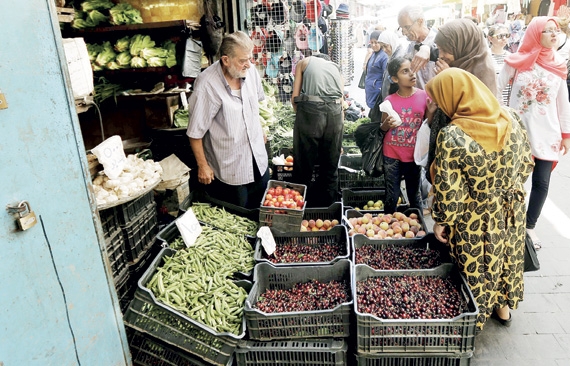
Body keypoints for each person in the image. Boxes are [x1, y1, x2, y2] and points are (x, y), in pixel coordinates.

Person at [426, 68, 535, 332]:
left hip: (474, 215)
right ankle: (503, 308)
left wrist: (442, 221)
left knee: (478, 261)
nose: (439, 105)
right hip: (512, 208)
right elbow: (526, 165)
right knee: (506, 253)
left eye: (440, 99)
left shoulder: (452, 136)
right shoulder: (512, 117)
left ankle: (475, 318)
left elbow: (449, 192)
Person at [497, 16, 570, 249]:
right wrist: (502, 119)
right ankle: (508, 225)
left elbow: (563, 103)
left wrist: (566, 134)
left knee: (542, 183)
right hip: (518, 134)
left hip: (548, 133)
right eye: (547, 30)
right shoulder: (516, 60)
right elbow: (497, 90)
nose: (553, 34)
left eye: (556, 30)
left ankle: (529, 227)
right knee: (514, 182)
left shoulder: (558, 64)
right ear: (535, 33)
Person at [186, 31, 269, 209]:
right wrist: (203, 166)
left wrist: (260, 128)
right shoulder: (207, 85)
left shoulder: (251, 72)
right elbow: (195, 132)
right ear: (226, 60)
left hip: (257, 160)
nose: (249, 64)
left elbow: (254, 107)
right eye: (242, 60)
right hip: (230, 170)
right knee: (238, 215)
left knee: (260, 209)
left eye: (250, 58)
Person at [379, 57, 436, 214]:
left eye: (411, 69)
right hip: (391, 154)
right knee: (392, 195)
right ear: (395, 79)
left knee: (414, 195)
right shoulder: (389, 100)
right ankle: (387, 229)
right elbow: (382, 128)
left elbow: (427, 127)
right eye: (405, 71)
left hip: (413, 156)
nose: (412, 74)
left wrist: (430, 114)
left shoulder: (424, 96)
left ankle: (417, 230)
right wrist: (387, 124)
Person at [291, 53, 344, 207]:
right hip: (335, 114)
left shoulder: (305, 62)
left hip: (311, 112)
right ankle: (329, 211)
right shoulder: (336, 67)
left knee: (303, 167)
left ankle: (300, 210)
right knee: (330, 168)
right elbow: (341, 103)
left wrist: (303, 119)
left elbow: (295, 98)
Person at [433, 18, 498, 95]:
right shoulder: (456, 63)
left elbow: (475, 104)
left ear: (462, 45)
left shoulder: (483, 72)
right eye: (439, 49)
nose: (440, 56)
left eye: (445, 50)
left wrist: (450, 78)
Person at [397, 5, 437, 89]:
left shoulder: (439, 42)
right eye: (401, 28)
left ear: (420, 21)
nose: (403, 33)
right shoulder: (410, 47)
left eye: (406, 27)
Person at [377, 30, 409, 100]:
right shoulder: (392, 56)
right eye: (382, 47)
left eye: (385, 46)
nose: (384, 50)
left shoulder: (399, 58)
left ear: (392, 42)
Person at [487, 24, 512, 104]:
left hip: (507, 101)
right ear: (490, 38)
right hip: (491, 100)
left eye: (506, 35)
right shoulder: (485, 56)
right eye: (500, 36)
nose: (504, 39)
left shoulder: (510, 57)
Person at [364, 30, 388, 110]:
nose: (373, 45)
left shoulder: (384, 56)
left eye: (376, 42)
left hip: (377, 91)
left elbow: (385, 76)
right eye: (372, 42)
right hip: (371, 90)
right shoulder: (374, 54)